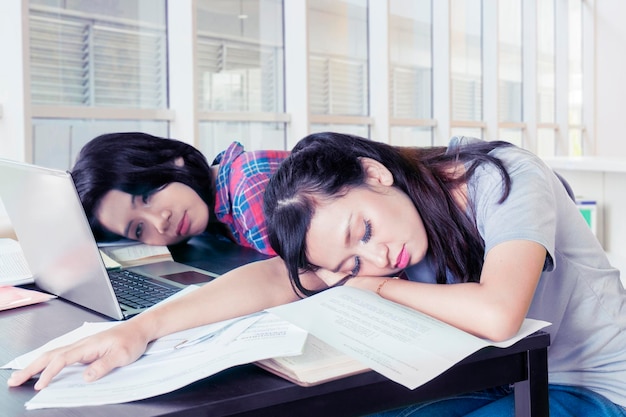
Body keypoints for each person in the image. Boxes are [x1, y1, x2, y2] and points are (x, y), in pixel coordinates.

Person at [8, 133, 626, 417]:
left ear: (374, 172)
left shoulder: (499, 177)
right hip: (483, 373)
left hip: (587, 385)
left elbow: (498, 312)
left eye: (362, 232)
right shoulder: (371, 226)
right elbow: (275, 280)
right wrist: (139, 331)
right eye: (352, 260)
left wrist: (370, 283)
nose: (378, 255)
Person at [71, 132, 289, 255]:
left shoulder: (246, 193)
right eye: (138, 229)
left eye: (147, 196)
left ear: (170, 160)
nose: (159, 223)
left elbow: (294, 283)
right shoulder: (208, 206)